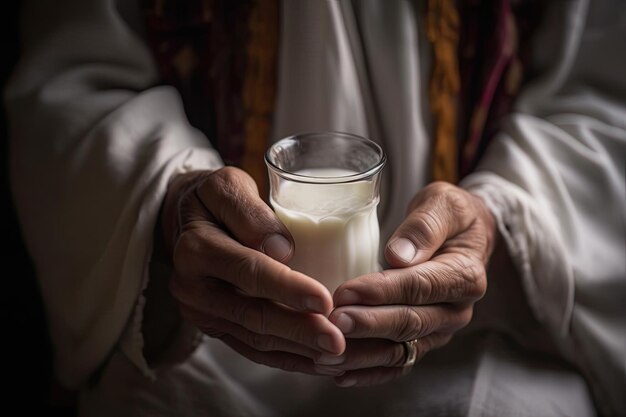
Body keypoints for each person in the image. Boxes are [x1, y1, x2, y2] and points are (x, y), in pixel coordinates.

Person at [5, 0, 625, 416]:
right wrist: (168, 208)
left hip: (475, 331)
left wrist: (498, 222)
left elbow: (602, 89)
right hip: (205, 339)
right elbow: (75, 83)